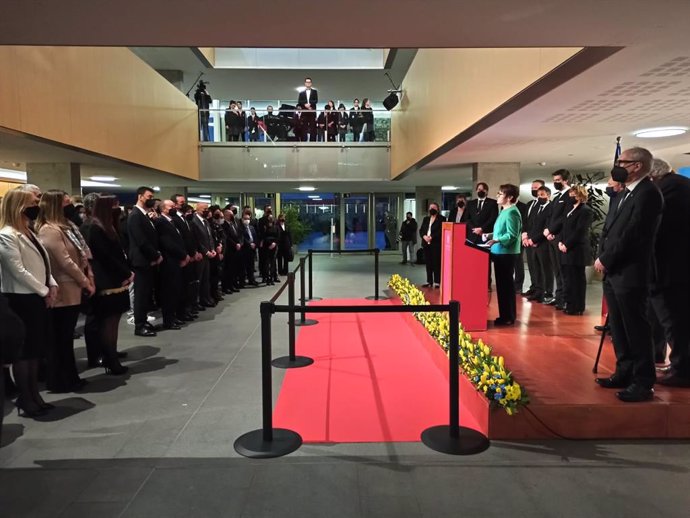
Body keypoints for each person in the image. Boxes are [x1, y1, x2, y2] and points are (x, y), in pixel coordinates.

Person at [594, 147, 663, 402]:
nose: (617, 165)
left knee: (636, 328)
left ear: (636, 166)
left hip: (631, 272)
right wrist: (603, 255)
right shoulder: (625, 193)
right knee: (619, 329)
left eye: (621, 161)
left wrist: (606, 258)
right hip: (615, 272)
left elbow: (633, 235)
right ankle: (624, 371)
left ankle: (643, 381)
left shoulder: (648, 193)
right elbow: (611, 229)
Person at [0, 188, 58, 417]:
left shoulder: (29, 231)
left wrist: (51, 284)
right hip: (20, 299)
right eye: (34, 202)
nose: (38, 206)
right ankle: (26, 397)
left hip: (36, 295)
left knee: (35, 349)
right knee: (24, 352)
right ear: (20, 205)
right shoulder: (7, 234)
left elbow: (44, 262)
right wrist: (44, 290)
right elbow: (18, 271)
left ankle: (34, 394)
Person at [36, 190, 95, 393]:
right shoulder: (49, 230)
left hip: (74, 286)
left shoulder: (67, 226)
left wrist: (89, 276)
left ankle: (70, 376)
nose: (70, 207)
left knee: (66, 337)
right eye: (66, 203)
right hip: (63, 288)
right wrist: (85, 281)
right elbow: (65, 261)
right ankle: (60, 379)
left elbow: (82, 253)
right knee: (59, 338)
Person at [648, 159, 690, 386]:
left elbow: (661, 229)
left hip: (672, 269)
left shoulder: (671, 189)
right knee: (672, 320)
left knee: (675, 321)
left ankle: (683, 370)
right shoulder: (678, 184)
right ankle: (678, 365)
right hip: (673, 268)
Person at [84, 195, 132, 375]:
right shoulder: (94, 228)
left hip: (116, 279)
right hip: (107, 280)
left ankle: (112, 353)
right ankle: (109, 359)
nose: (117, 209)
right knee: (107, 322)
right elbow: (105, 257)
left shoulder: (108, 226)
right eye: (114, 206)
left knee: (113, 321)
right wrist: (125, 273)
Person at [484, 184, 521, 326]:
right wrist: (489, 235)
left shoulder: (513, 212)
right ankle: (504, 315)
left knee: (506, 286)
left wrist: (496, 240)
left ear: (510, 197)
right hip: (498, 252)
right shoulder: (503, 211)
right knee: (501, 286)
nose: (497, 196)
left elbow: (512, 235)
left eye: (500, 194)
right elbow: (501, 232)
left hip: (506, 253)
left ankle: (509, 317)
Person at [127, 186, 162, 337]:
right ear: (140, 196)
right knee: (140, 294)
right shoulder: (135, 215)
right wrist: (155, 256)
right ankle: (139, 325)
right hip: (141, 260)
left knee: (146, 293)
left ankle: (143, 320)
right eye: (149, 196)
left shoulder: (145, 215)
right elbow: (141, 241)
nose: (151, 199)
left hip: (148, 260)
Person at [558, 185, 592, 315]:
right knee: (567, 279)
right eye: (571, 193)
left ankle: (577, 306)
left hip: (576, 250)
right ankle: (569, 303)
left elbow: (580, 231)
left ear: (580, 196)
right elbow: (564, 227)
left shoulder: (585, 210)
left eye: (574, 194)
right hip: (565, 249)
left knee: (576, 279)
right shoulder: (569, 210)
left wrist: (567, 244)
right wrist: (561, 241)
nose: (571, 196)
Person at [155, 200, 189, 330]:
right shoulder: (161, 222)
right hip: (169, 261)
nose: (174, 208)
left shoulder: (171, 221)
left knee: (176, 291)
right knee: (169, 292)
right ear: (163, 209)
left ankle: (174, 317)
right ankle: (168, 320)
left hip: (176, 260)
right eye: (171, 206)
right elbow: (168, 243)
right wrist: (183, 255)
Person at [543, 169, 574, 308]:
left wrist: (552, 230)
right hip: (551, 237)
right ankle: (559, 296)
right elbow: (551, 216)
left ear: (566, 181)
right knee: (556, 268)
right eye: (554, 180)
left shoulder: (570, 196)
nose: (555, 183)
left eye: (558, 181)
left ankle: (565, 299)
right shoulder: (556, 197)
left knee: (563, 270)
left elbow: (564, 218)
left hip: (560, 237)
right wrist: (547, 230)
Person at [525, 186, 553, 303]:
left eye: (542, 195)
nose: (539, 197)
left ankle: (548, 292)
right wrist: (529, 238)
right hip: (533, 242)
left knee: (545, 269)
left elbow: (547, 226)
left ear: (548, 195)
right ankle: (538, 291)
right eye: (538, 195)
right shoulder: (536, 207)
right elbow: (531, 224)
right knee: (535, 268)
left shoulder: (551, 208)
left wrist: (535, 240)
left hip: (543, 243)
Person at [522, 179, 546, 298]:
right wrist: (525, 235)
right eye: (532, 188)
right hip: (528, 240)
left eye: (536, 188)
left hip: (539, 242)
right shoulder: (530, 204)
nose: (533, 190)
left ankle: (541, 290)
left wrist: (535, 239)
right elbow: (526, 222)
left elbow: (542, 225)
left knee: (540, 267)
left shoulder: (545, 206)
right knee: (531, 266)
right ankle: (534, 286)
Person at [190, 202, 217, 307]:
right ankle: (196, 302)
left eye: (207, 209)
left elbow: (210, 237)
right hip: (201, 255)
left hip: (208, 254)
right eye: (204, 209)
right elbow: (197, 240)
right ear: (197, 209)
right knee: (199, 280)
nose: (206, 211)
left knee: (206, 279)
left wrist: (213, 249)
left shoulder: (205, 221)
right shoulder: (194, 221)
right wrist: (206, 251)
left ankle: (205, 298)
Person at [419, 202, 445, 288]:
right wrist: (424, 236)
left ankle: (437, 282)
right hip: (426, 244)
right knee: (428, 263)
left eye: (434, 208)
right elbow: (421, 230)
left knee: (436, 263)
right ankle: (429, 281)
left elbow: (441, 230)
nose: (432, 209)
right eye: (430, 208)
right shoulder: (426, 219)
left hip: (436, 244)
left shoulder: (442, 218)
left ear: (437, 209)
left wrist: (432, 237)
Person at [240, 211, 259, 286]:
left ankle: (251, 279)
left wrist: (255, 243)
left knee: (251, 265)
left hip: (252, 249)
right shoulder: (240, 228)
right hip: (245, 249)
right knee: (243, 266)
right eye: (245, 218)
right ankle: (242, 281)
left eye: (248, 219)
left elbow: (255, 237)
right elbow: (242, 238)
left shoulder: (252, 227)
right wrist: (249, 244)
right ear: (242, 219)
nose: (247, 220)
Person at [297, 77, 318, 141]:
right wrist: (305, 104)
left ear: (311, 83)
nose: (308, 83)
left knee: (313, 127)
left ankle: (313, 141)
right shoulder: (301, 92)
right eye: (307, 82)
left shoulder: (315, 91)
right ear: (305, 83)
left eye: (309, 82)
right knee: (304, 127)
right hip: (304, 112)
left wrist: (310, 104)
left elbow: (316, 100)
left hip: (312, 111)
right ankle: (304, 140)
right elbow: (299, 101)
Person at [262, 215, 279, 285]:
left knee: (273, 263)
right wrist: (270, 243)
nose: (270, 219)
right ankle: (267, 278)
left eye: (271, 218)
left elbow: (278, 236)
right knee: (266, 263)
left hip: (274, 247)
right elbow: (264, 236)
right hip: (267, 246)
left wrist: (274, 243)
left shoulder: (276, 227)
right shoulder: (265, 227)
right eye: (269, 218)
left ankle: (272, 278)